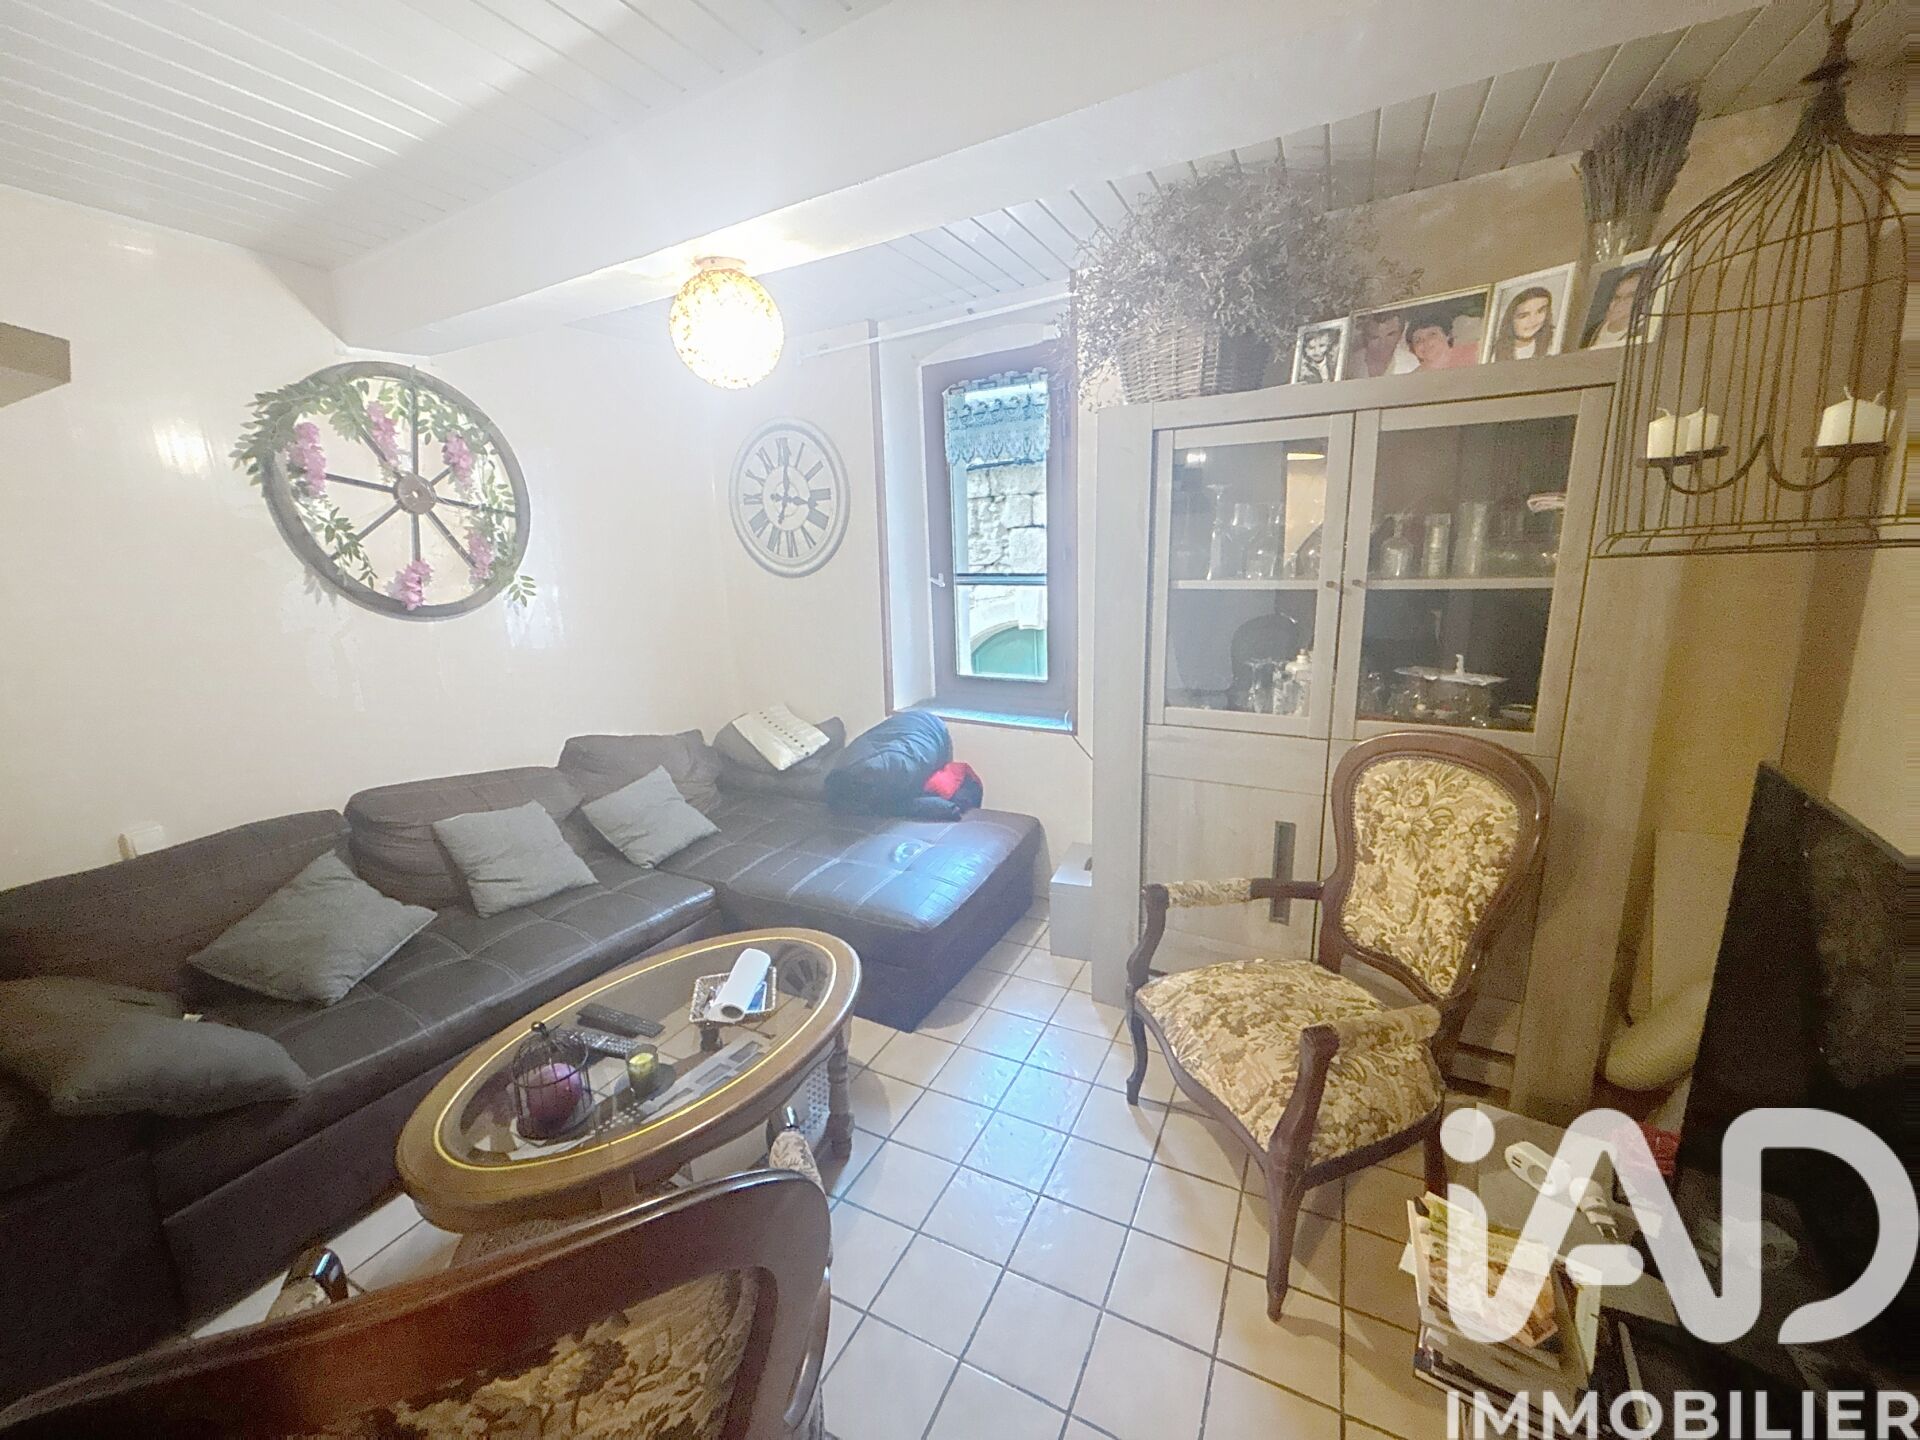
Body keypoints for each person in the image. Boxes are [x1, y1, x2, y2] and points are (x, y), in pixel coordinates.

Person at [1583, 265, 1645, 349]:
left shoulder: (1645, 331)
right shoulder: (1591, 333)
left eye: (1630, 296)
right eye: (1617, 297)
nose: (1620, 303)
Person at [1489, 285, 1555, 361]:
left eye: (1540, 311)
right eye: (1524, 316)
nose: (1533, 320)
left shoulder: (1554, 341)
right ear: (1510, 320)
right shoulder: (1493, 353)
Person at [1358, 312, 1417, 377]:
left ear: (1400, 335)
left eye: (1390, 335)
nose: (1383, 344)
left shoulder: (1412, 364)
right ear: (1365, 337)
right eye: (1375, 337)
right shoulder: (1353, 363)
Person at [1407, 315, 1473, 370]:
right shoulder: (1412, 378)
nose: (1425, 342)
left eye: (1432, 334)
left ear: (1448, 335)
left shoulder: (1471, 360)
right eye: (1418, 340)